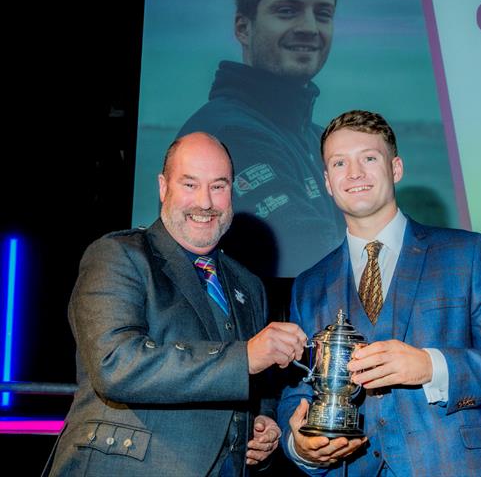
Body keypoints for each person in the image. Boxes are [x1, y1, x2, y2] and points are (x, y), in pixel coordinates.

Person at [277, 111, 481, 475]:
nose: (354, 173)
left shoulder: (465, 253)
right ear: (327, 181)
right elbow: (297, 391)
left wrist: (430, 366)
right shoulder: (309, 284)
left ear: (395, 168)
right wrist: (300, 446)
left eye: (369, 158)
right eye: (340, 163)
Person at [48, 132, 308, 476]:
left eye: (218, 186)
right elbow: (116, 365)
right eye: (189, 184)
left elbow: (254, 385)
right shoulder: (118, 255)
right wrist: (244, 357)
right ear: (162, 187)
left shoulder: (249, 285)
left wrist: (263, 424)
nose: (205, 202)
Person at [177, 0, 347, 278]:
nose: (309, 28)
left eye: (323, 14)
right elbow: (311, 253)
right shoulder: (226, 133)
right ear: (243, 28)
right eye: (287, 11)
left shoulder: (316, 138)